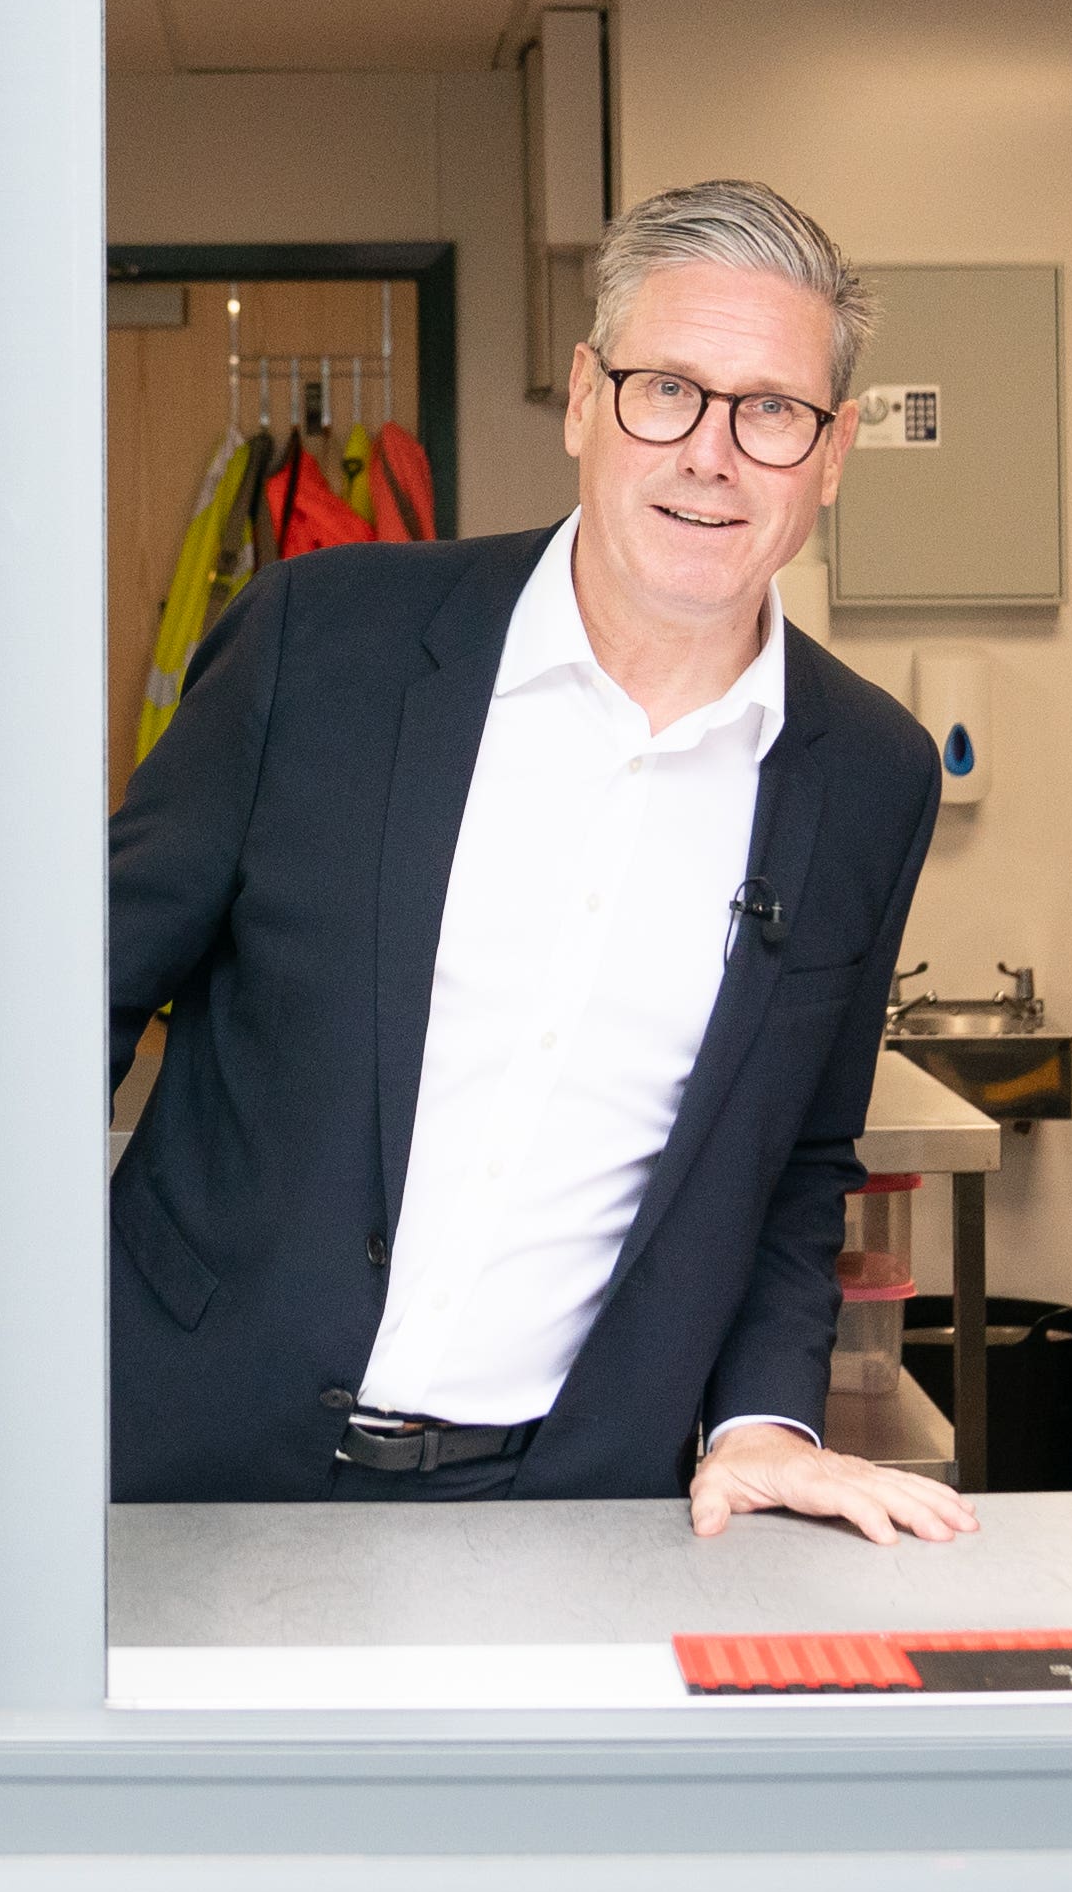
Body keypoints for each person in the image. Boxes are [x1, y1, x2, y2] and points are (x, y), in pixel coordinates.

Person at [105, 178, 969, 1541]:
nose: (710, 453)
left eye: (771, 412)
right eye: (665, 390)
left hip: (565, 1508)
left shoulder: (864, 775)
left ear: (832, 451)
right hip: (173, 1456)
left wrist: (760, 1417)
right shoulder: (318, 645)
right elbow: (70, 1011)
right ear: (582, 399)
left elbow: (799, 1154)